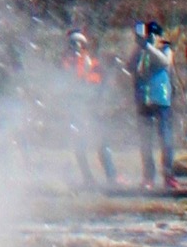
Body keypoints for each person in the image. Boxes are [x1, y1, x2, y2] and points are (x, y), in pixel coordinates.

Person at [62, 27, 115, 188]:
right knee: (80, 144)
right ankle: (87, 177)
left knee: (102, 142)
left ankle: (112, 176)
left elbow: (99, 82)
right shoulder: (65, 63)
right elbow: (66, 83)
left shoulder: (92, 62)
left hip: (92, 108)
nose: (76, 47)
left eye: (79, 43)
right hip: (76, 109)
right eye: (73, 43)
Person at [128, 21, 177, 190]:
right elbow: (130, 67)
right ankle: (148, 176)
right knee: (145, 140)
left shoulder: (165, 49)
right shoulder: (140, 51)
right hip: (143, 99)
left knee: (166, 138)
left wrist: (149, 47)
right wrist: (139, 46)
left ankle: (169, 175)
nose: (151, 38)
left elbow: (164, 62)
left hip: (161, 99)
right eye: (149, 34)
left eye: (154, 35)